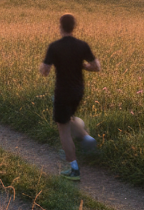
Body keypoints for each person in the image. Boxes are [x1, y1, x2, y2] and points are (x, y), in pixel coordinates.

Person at [39, 13, 101, 180]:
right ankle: (85, 137)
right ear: (74, 27)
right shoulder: (82, 45)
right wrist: (84, 67)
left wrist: (44, 68)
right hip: (78, 91)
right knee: (69, 117)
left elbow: (45, 71)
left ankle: (74, 169)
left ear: (60, 27)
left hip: (62, 92)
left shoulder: (54, 46)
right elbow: (96, 66)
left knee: (63, 129)